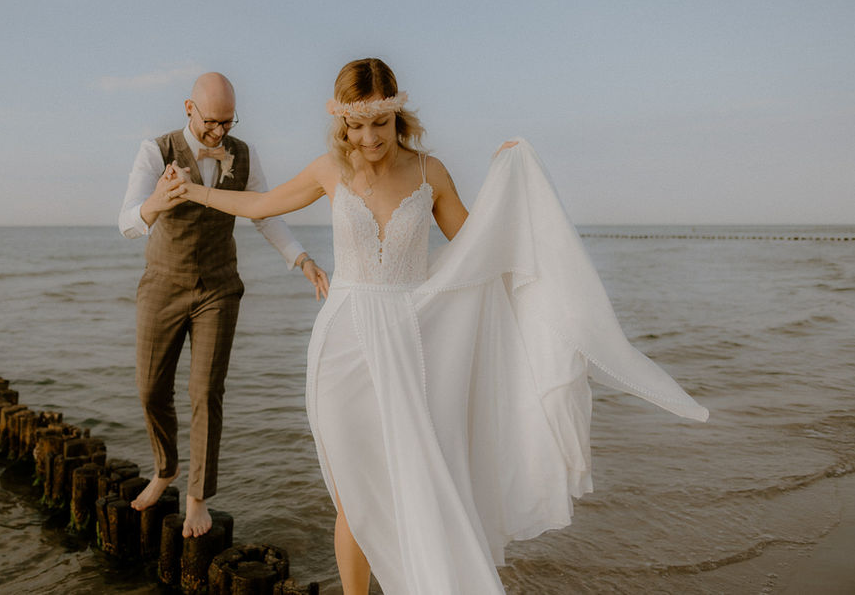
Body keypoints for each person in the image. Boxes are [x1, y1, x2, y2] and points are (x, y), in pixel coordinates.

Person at [161, 59, 709, 593]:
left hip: (411, 341)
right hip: (342, 347)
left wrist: (508, 181)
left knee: (414, 483)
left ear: (398, 114)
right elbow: (261, 204)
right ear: (342, 121)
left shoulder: (430, 172)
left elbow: (480, 251)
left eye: (381, 122)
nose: (371, 137)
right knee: (353, 495)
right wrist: (194, 192)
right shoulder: (331, 169)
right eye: (358, 124)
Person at [118, 72, 329, 537]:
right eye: (211, 122)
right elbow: (128, 222)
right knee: (150, 389)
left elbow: (266, 213)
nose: (219, 133)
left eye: (227, 123)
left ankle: (197, 497)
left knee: (206, 394)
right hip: (162, 285)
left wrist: (303, 259)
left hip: (218, 289)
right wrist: (156, 201)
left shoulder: (244, 155)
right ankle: (166, 467)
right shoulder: (156, 151)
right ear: (188, 109)